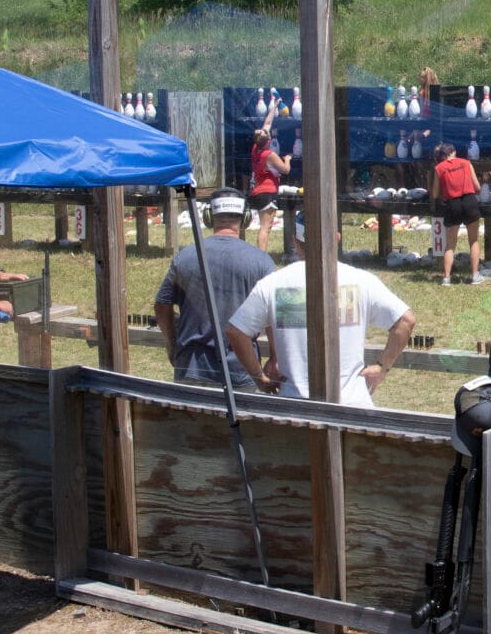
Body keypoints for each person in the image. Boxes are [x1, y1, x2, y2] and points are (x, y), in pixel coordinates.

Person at [225, 212, 415, 408]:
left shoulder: (274, 283)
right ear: (337, 238)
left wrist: (259, 378)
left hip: (295, 406)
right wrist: (382, 368)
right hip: (353, 405)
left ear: (296, 242)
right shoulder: (362, 281)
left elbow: (236, 331)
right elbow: (405, 321)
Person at [153, 188, 277, 391]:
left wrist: (172, 345)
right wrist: (274, 356)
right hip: (241, 370)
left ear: (209, 216)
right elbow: (275, 314)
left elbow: (161, 306)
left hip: (191, 368)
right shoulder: (262, 262)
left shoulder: (184, 257)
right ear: (246, 218)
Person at [431, 142, 485, 286]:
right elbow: (477, 187)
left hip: (452, 204)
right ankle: (475, 276)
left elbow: (435, 194)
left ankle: (447, 278)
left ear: (442, 156)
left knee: (450, 244)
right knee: (473, 241)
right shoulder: (466, 163)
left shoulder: (439, 168)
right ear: (453, 152)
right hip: (469, 202)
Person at [248, 99, 292, 252]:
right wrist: (287, 159)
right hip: (267, 192)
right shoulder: (270, 154)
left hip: (258, 191)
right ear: (268, 141)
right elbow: (285, 170)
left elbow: (267, 123)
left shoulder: (256, 149)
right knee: (265, 229)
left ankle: (260, 254)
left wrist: (275, 106)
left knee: (263, 227)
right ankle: (262, 257)